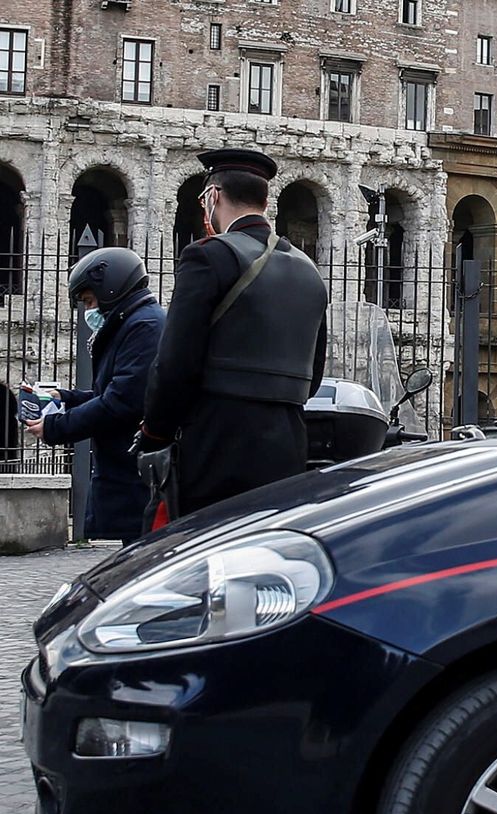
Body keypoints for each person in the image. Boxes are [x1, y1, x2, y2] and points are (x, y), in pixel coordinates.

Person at [140, 148, 328, 522]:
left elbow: (175, 363)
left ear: (213, 196)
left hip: (216, 441)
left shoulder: (207, 257)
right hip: (287, 445)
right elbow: (314, 375)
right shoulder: (309, 271)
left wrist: (155, 434)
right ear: (265, 200)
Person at [22, 249, 164, 543]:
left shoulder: (144, 327)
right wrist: (64, 398)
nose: (87, 310)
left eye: (88, 301)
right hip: (131, 473)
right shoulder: (134, 323)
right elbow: (112, 393)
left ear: (110, 289)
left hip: (139, 477)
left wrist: (55, 427)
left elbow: (121, 403)